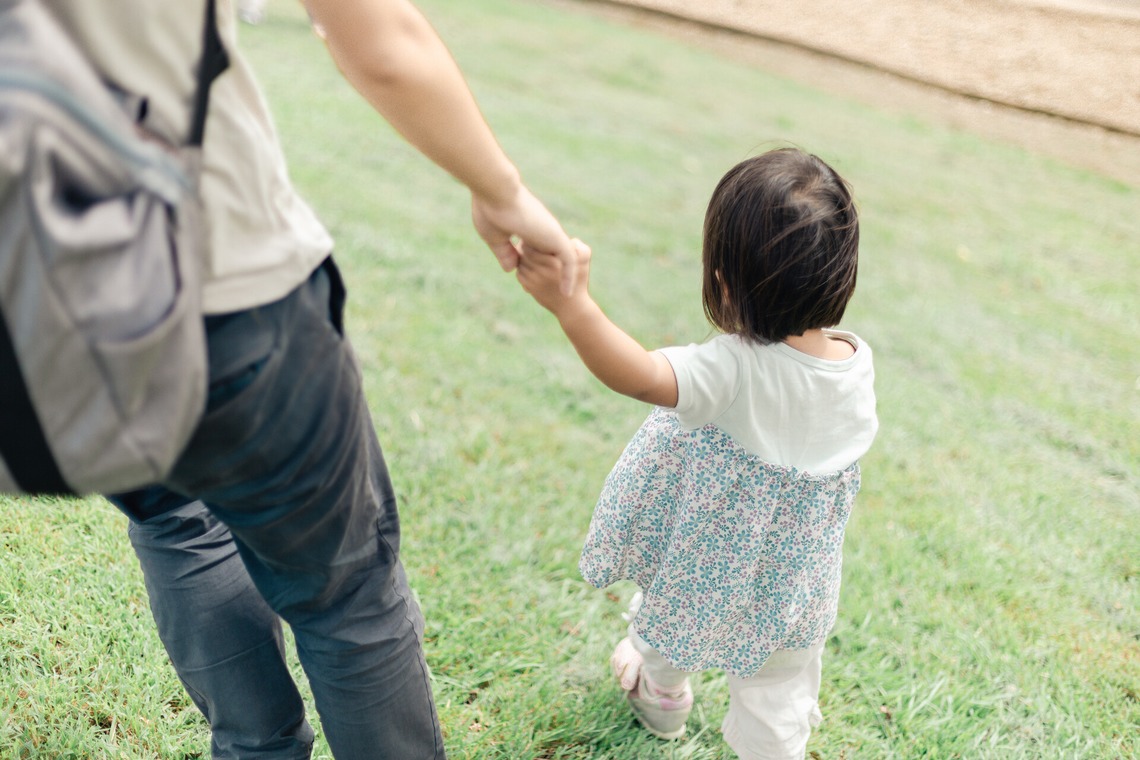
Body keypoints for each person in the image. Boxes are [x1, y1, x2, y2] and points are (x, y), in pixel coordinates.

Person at [45, 0, 576, 757]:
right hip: (218, 282)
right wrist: (503, 190)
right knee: (348, 597)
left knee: (172, 521)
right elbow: (379, 42)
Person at [516, 148, 878, 759]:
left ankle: (661, 697)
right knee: (777, 688)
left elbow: (637, 375)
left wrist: (571, 305)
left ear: (724, 275)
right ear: (841, 275)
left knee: (670, 623)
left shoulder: (732, 367)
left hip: (704, 566)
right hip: (793, 588)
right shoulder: (854, 362)